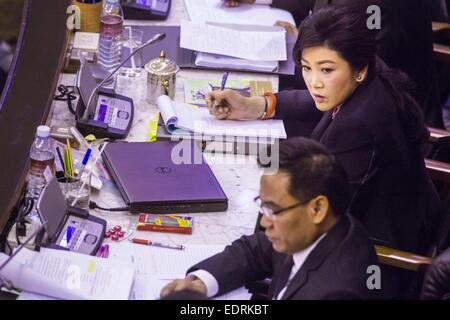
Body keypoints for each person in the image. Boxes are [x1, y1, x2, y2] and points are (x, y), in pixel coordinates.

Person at [205, 6, 441, 257]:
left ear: (358, 70)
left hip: (375, 256)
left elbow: (317, 219)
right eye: (307, 67)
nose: (314, 82)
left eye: (326, 70)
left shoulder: (357, 128)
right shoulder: (363, 68)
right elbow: (319, 97)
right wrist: (258, 105)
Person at [161, 137, 380, 300]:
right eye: (262, 206)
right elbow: (255, 249)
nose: (265, 223)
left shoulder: (336, 292)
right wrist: (201, 284)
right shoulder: (322, 226)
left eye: (273, 210)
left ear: (318, 208)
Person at [225, 0, 444, 128]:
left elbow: (364, 89)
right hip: (338, 103)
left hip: (380, 133)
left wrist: (264, 105)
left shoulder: (383, 10)